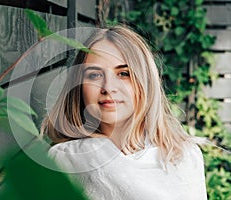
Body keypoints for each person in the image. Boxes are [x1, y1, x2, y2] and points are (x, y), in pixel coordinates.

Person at [40, 25, 207, 200]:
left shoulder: (185, 155)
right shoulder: (65, 160)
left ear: (145, 82)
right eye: (95, 75)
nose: (109, 88)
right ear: (79, 86)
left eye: (123, 73)